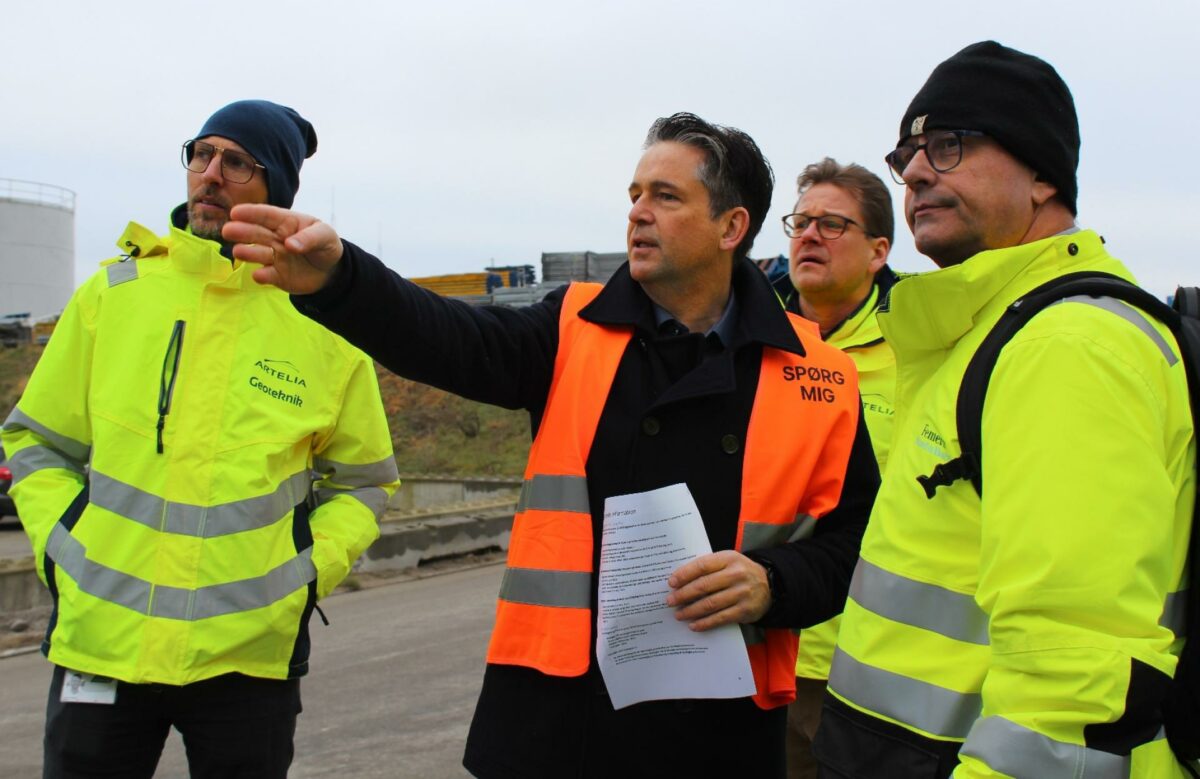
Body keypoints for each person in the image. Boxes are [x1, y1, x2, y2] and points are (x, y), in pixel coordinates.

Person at [223, 112, 880, 777]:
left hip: (720, 731)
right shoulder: (572, 326)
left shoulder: (819, 373)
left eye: (666, 196)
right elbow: (449, 337)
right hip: (561, 725)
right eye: (634, 195)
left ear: (731, 227)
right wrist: (341, 279)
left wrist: (772, 582)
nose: (638, 214)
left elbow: (853, 544)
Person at [814, 41, 1194, 778]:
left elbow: (1073, 672)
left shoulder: (1069, 345)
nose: (917, 171)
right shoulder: (989, 332)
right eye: (909, 155)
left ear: (1043, 174)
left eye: (948, 145)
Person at [2, 100, 400, 778]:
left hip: (246, 656)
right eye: (201, 153)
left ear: (274, 187)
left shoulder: (324, 328)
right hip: (101, 643)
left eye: (237, 161)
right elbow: (37, 444)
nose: (210, 173)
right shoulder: (112, 293)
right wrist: (63, 550)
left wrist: (302, 576)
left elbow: (363, 480)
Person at [774, 159, 898, 778]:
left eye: (832, 224)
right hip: (761, 648)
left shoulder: (919, 349)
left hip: (870, 665)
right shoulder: (750, 342)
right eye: (800, 222)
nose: (809, 235)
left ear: (879, 250)